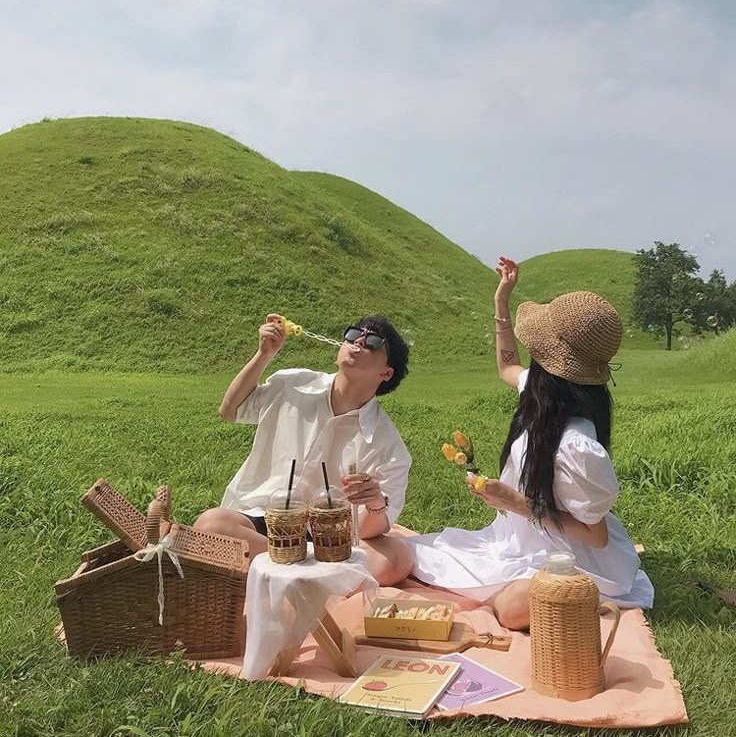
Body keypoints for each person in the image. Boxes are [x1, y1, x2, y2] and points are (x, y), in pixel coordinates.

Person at [408, 256, 654, 630]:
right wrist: (501, 303)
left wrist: (516, 503)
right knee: (419, 557)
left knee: (511, 609)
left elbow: (596, 535)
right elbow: (507, 366)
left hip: (577, 559)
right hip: (528, 541)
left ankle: (566, 596)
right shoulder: (546, 396)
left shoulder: (577, 446)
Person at [194, 313, 414, 586]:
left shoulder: (387, 445)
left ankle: (284, 573)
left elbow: (371, 530)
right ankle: (316, 580)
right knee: (210, 526)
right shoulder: (292, 384)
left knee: (396, 558)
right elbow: (230, 410)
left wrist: (375, 502)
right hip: (264, 521)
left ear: (386, 373)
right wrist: (264, 354)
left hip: (329, 541)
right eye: (352, 334)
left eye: (372, 342)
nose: (358, 342)